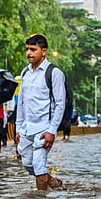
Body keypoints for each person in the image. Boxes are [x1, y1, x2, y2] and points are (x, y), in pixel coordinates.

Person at [15, 34, 64, 190]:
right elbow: (21, 103)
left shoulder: (54, 73)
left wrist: (52, 130)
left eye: (33, 49)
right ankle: (52, 182)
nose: (29, 53)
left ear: (43, 52)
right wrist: (18, 128)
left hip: (44, 129)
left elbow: (60, 104)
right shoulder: (25, 73)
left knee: (38, 164)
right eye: (27, 49)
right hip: (26, 129)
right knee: (28, 164)